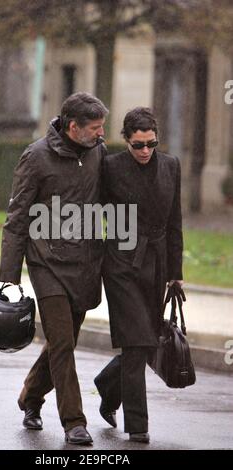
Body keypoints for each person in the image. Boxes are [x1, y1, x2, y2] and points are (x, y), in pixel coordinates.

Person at [0, 92, 108, 445]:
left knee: (64, 341)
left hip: (84, 263)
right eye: (95, 128)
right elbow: (16, 220)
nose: (101, 133)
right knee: (62, 343)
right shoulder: (35, 157)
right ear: (73, 127)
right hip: (46, 263)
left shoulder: (98, 153)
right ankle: (74, 422)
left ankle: (30, 396)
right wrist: (9, 281)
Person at [94, 107, 183, 443]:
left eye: (151, 143)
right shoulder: (111, 167)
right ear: (126, 141)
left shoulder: (171, 166)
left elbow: (175, 221)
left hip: (157, 265)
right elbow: (92, 208)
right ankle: (138, 426)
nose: (145, 150)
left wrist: (175, 272)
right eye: (138, 145)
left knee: (145, 342)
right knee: (136, 342)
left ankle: (107, 385)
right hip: (120, 264)